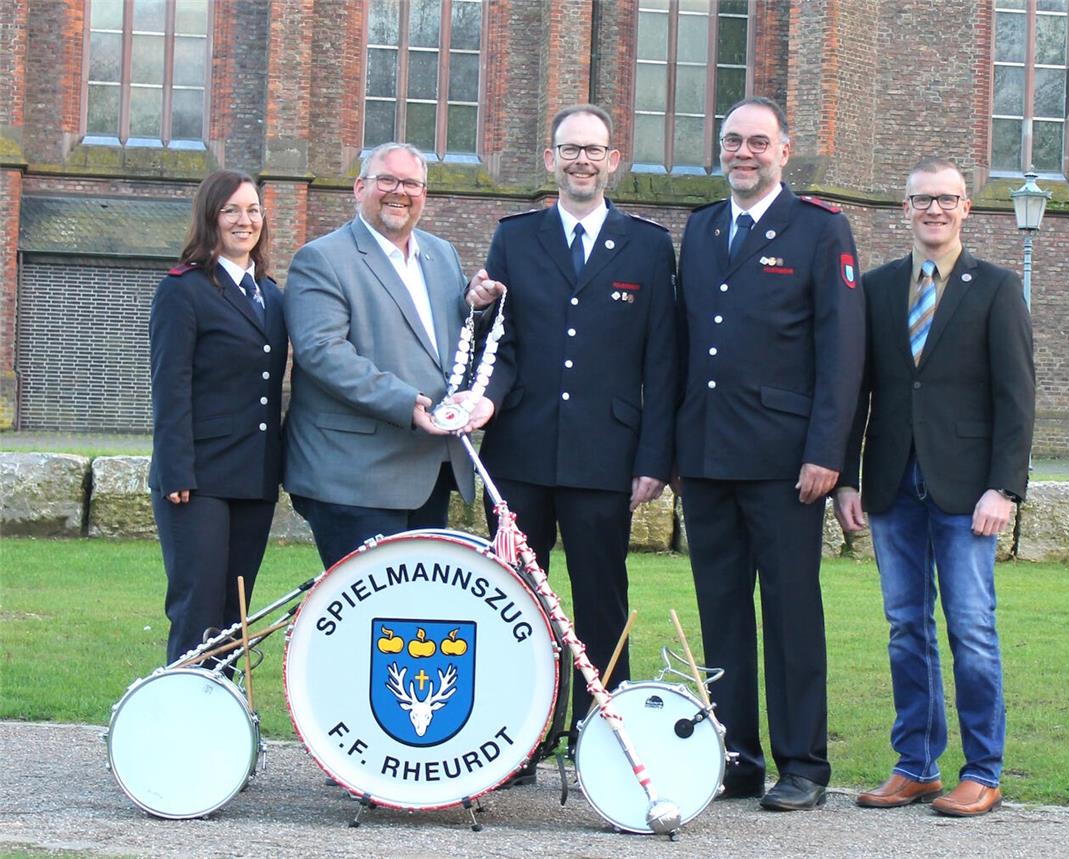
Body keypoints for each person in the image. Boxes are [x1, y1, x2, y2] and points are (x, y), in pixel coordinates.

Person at [675, 96, 865, 810]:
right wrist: (672, 451)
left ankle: (804, 763)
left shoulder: (820, 229)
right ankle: (737, 755)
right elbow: (684, 347)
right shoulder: (700, 229)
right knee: (720, 610)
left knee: (790, 612)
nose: (744, 153)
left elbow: (841, 353)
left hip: (789, 463)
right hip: (707, 456)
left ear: (784, 151)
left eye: (759, 141)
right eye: (732, 141)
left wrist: (828, 452)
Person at [834, 156, 1035, 817]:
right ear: (905, 207)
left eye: (947, 199)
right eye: (923, 199)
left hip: (967, 491)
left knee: (972, 628)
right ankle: (916, 765)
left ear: (966, 207)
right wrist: (850, 478)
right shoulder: (879, 286)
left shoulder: (997, 288)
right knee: (904, 627)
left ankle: (982, 769)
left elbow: (1016, 398)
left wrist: (1003, 488)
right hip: (894, 486)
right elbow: (856, 392)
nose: (935, 210)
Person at [472, 104, 677, 740]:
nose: (581, 160)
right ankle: (514, 740)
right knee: (514, 603)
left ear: (612, 161)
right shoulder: (514, 236)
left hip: (604, 455)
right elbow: (498, 343)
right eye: (569, 149)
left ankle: (601, 739)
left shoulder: (646, 245)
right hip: (519, 453)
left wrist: (653, 458)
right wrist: (477, 313)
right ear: (550, 160)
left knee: (600, 603)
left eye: (593, 150)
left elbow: (662, 360)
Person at [283, 143, 495, 570]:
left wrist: (477, 310)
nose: (400, 191)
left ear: (424, 195)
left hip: (428, 472)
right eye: (387, 180)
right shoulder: (322, 258)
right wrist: (404, 401)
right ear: (359, 187)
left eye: (412, 183)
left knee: (412, 622)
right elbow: (322, 351)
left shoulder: (441, 255)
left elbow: (439, 345)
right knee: (367, 622)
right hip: (354, 478)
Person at [149, 169, 288, 665]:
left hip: (253, 479)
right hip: (198, 480)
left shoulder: (271, 295)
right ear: (211, 217)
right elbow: (170, 388)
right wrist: (175, 470)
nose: (243, 220)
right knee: (197, 610)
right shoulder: (183, 290)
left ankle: (221, 730)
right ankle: (180, 729)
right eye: (231, 210)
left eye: (252, 210)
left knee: (235, 616)